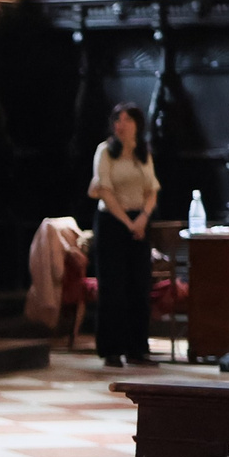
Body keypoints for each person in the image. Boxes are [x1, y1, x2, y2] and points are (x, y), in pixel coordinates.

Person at [89, 102, 158, 368]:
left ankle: (137, 349)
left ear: (137, 125)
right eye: (117, 120)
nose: (121, 125)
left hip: (139, 221)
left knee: (139, 286)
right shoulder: (105, 151)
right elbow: (105, 190)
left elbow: (151, 190)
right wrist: (128, 224)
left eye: (127, 120)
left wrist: (142, 218)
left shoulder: (143, 152)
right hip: (112, 222)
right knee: (113, 287)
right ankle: (111, 349)